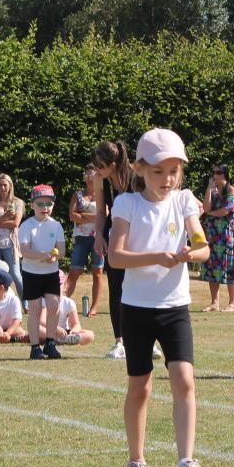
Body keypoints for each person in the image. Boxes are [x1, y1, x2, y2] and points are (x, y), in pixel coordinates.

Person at [108, 127, 214, 467]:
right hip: (137, 309)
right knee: (141, 387)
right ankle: (136, 464)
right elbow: (115, 255)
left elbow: (202, 246)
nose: (167, 179)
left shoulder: (184, 201)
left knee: (185, 380)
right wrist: (157, 257)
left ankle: (186, 463)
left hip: (175, 308)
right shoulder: (127, 205)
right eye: (158, 171)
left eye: (173, 171)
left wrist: (191, 252)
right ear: (139, 168)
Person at [92, 141, 134, 359]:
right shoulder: (101, 180)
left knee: (138, 287)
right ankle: (120, 341)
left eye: (100, 165)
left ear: (114, 164)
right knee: (116, 286)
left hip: (137, 234)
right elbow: (101, 211)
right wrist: (98, 235)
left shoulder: (137, 177)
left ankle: (144, 338)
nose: (97, 170)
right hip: (113, 233)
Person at [19, 184, 66, 360]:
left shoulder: (56, 226)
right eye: (40, 204)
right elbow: (25, 251)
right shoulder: (26, 226)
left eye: (49, 203)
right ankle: (34, 347)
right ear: (32, 205)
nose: (45, 207)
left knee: (54, 305)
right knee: (35, 308)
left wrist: (54, 257)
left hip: (51, 273)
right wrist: (43, 256)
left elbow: (61, 251)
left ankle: (50, 343)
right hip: (31, 273)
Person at [199, 164, 234, 312]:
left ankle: (232, 304)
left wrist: (209, 214)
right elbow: (206, 207)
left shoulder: (232, 191)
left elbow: (226, 211)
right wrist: (209, 190)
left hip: (226, 235)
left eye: (218, 173)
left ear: (224, 175)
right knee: (212, 267)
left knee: (229, 268)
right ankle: (214, 303)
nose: (214, 175)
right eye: (214, 172)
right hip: (213, 234)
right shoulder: (214, 191)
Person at [65, 163, 104, 316]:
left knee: (97, 272)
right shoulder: (78, 194)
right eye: (87, 175)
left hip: (98, 238)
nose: (89, 179)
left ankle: (94, 308)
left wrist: (83, 216)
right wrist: (93, 217)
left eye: (92, 176)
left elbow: (105, 216)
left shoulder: (102, 194)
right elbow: (72, 215)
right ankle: (63, 302)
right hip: (81, 238)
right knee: (74, 271)